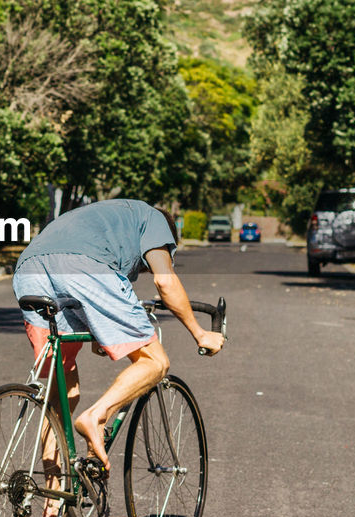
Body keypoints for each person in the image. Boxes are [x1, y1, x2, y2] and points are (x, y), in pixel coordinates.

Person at [12, 199, 223, 475]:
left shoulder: (106, 219)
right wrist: (200, 333)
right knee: (155, 362)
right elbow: (165, 280)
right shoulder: (155, 221)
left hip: (29, 269)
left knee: (63, 390)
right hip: (83, 266)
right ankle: (95, 418)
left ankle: (56, 502)